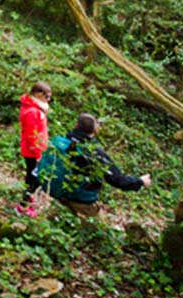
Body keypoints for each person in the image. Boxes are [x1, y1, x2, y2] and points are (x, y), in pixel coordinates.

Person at [52, 113, 151, 216]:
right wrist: (140, 181)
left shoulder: (62, 142)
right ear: (95, 131)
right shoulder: (95, 154)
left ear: (76, 125)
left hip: (57, 194)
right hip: (82, 201)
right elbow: (118, 180)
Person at [16, 81, 52, 217]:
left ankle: (27, 200)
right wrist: (38, 153)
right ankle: (23, 206)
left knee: (32, 176)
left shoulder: (37, 108)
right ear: (38, 94)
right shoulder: (32, 111)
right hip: (32, 151)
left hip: (36, 149)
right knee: (33, 179)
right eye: (47, 97)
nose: (49, 100)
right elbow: (32, 135)